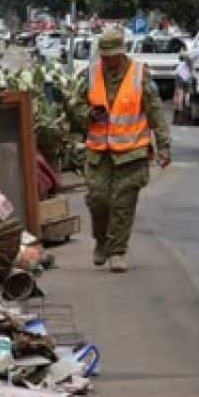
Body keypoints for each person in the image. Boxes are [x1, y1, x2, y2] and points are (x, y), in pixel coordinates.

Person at [70, 26, 172, 272]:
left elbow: (155, 110)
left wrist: (163, 146)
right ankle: (102, 241)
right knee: (98, 199)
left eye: (113, 56)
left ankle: (118, 251)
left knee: (122, 203)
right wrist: (88, 114)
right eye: (104, 56)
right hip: (99, 151)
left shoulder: (139, 74)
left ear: (122, 52)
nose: (108, 61)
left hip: (131, 151)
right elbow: (74, 105)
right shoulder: (90, 74)